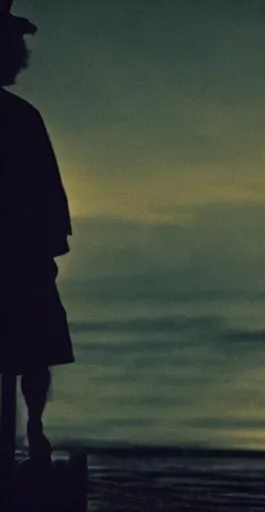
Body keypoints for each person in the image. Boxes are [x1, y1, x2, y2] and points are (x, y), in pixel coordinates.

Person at [0, 0, 74, 462]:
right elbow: (48, 193)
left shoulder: (23, 117)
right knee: (33, 349)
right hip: (22, 253)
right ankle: (35, 433)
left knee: (33, 350)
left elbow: (47, 192)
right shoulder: (22, 118)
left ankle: (34, 430)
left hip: (23, 251)